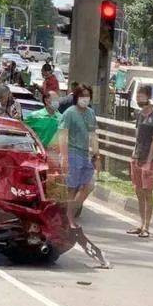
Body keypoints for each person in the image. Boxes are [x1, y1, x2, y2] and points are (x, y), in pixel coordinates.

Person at [58, 84, 98, 227]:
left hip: (85, 154)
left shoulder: (90, 113)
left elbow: (93, 135)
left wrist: (96, 155)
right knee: (72, 188)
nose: (85, 99)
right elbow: (63, 135)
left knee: (89, 184)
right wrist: (64, 157)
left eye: (87, 96)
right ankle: (69, 218)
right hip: (72, 153)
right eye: (82, 96)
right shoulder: (69, 113)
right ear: (76, 97)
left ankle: (69, 212)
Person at [128, 84, 153, 239]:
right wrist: (134, 153)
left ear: (148, 96)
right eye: (138, 96)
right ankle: (140, 224)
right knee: (138, 191)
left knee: (148, 192)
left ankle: (147, 226)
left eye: (141, 96)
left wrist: (148, 161)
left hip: (149, 159)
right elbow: (137, 136)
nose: (138, 98)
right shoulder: (140, 114)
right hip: (137, 156)